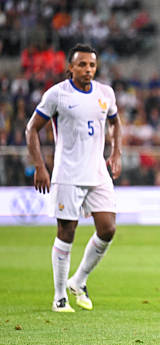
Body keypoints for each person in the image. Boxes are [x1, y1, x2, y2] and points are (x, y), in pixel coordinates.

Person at [25, 43, 122, 313]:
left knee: (108, 229)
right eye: (82, 64)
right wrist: (40, 166)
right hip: (68, 173)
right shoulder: (57, 94)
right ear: (70, 67)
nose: (88, 69)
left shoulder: (105, 93)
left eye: (92, 65)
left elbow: (115, 122)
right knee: (66, 232)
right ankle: (59, 297)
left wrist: (116, 152)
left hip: (98, 172)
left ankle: (78, 280)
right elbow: (32, 129)